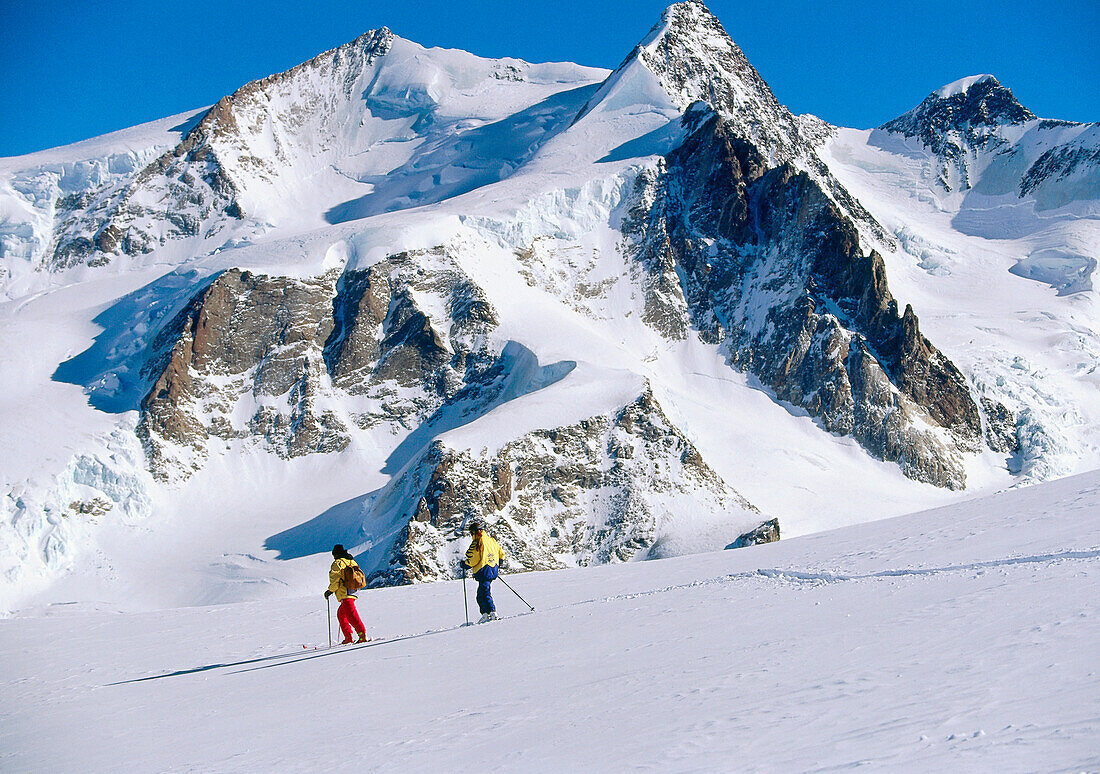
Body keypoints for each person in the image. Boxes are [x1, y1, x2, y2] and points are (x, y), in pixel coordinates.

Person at [461, 520, 506, 623]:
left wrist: (465, 564)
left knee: (484, 593)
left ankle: (491, 612)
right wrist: (498, 563)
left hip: (483, 570)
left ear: (473, 532)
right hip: (493, 568)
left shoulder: (477, 542)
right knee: (482, 592)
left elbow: (473, 559)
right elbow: (501, 553)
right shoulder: (492, 540)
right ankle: (487, 613)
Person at [324, 544, 368, 644]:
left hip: (345, 591)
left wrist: (330, 591)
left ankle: (362, 635)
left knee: (351, 614)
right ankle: (348, 638)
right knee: (341, 614)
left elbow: (335, 579)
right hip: (354, 589)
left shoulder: (338, 563)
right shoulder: (351, 561)